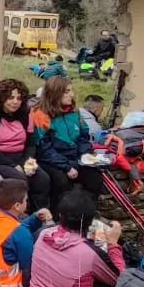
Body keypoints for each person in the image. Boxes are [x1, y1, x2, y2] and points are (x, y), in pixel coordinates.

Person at [26, 190, 123, 287]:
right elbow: (121, 279)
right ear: (89, 222)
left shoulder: (44, 234)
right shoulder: (89, 254)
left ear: (60, 216)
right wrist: (113, 244)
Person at [0, 79, 51, 207]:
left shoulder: (25, 114)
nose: (15, 102)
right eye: (10, 97)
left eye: (19, 98)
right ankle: (21, 214)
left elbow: (31, 144)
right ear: (1, 98)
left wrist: (28, 161)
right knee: (19, 180)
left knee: (42, 179)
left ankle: (40, 214)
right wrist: (13, 165)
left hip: (19, 157)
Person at [30, 76, 104, 210]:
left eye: (71, 90)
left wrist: (85, 155)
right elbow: (44, 149)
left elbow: (83, 137)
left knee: (95, 178)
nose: (72, 95)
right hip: (51, 161)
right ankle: (61, 218)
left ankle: (85, 215)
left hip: (74, 157)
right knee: (61, 182)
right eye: (67, 91)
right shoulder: (39, 114)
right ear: (55, 93)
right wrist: (66, 167)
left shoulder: (75, 113)